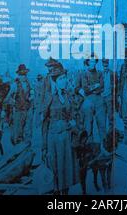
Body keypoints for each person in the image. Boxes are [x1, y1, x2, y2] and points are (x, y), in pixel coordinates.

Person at [42, 60, 78, 194]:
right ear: (55, 81)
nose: (64, 81)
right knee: (55, 170)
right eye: (61, 79)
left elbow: (73, 113)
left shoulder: (68, 96)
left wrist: (73, 122)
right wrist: (44, 147)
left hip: (66, 138)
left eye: (65, 78)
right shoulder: (50, 98)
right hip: (54, 139)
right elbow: (44, 123)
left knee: (67, 171)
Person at [76, 53, 105, 143]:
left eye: (94, 61)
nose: (92, 63)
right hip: (87, 100)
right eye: (90, 61)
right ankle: (89, 145)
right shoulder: (83, 74)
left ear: (96, 62)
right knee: (88, 124)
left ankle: (104, 146)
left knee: (102, 123)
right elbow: (85, 89)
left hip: (99, 100)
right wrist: (94, 87)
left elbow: (102, 87)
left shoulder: (100, 73)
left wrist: (92, 88)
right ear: (87, 62)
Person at [7, 64, 33, 145]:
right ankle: (17, 143)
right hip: (18, 110)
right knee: (18, 127)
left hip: (27, 109)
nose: (23, 76)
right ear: (19, 75)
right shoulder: (15, 85)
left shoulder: (29, 83)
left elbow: (32, 92)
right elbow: (9, 97)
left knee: (27, 127)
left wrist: (31, 97)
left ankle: (26, 144)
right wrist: (13, 102)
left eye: (25, 74)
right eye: (21, 75)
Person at [100, 59, 117, 131]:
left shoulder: (112, 74)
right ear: (102, 65)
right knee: (102, 116)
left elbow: (116, 86)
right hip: (101, 97)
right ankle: (103, 133)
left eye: (106, 65)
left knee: (110, 116)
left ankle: (111, 131)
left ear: (108, 64)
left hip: (109, 97)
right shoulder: (100, 74)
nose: (105, 67)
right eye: (104, 66)